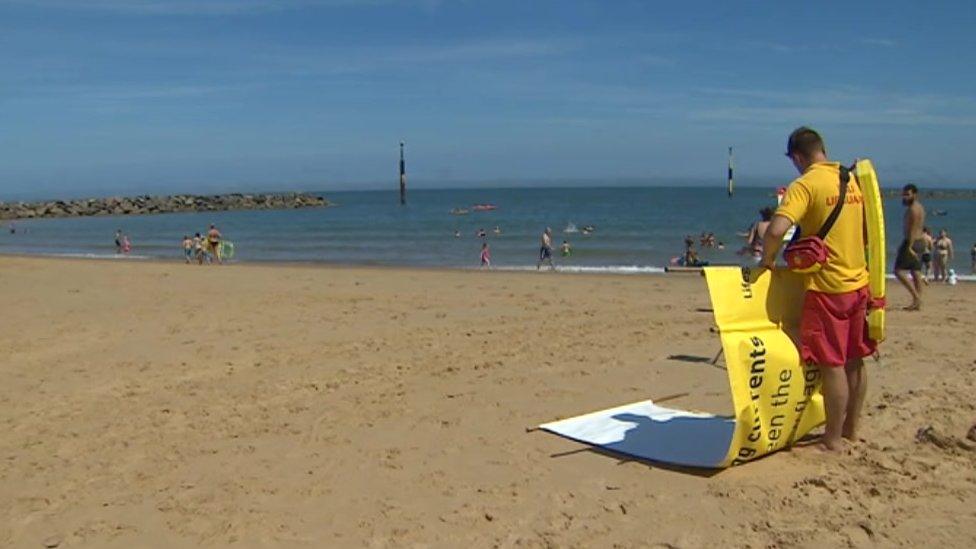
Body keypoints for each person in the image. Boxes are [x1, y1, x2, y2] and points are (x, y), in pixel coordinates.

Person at [760, 127, 876, 452]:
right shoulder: (850, 179)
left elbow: (776, 230)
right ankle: (852, 431)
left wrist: (768, 261)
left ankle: (833, 439)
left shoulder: (806, 184)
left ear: (797, 157)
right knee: (856, 360)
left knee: (832, 364)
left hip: (828, 288)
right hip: (860, 283)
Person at [894, 184, 925, 310]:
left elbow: (913, 229)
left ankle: (916, 297)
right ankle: (917, 302)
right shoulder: (918, 207)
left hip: (912, 242)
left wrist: (909, 246)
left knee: (898, 271)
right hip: (919, 241)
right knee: (915, 272)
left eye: (908, 194)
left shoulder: (914, 210)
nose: (905, 197)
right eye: (904, 194)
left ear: (914, 195)